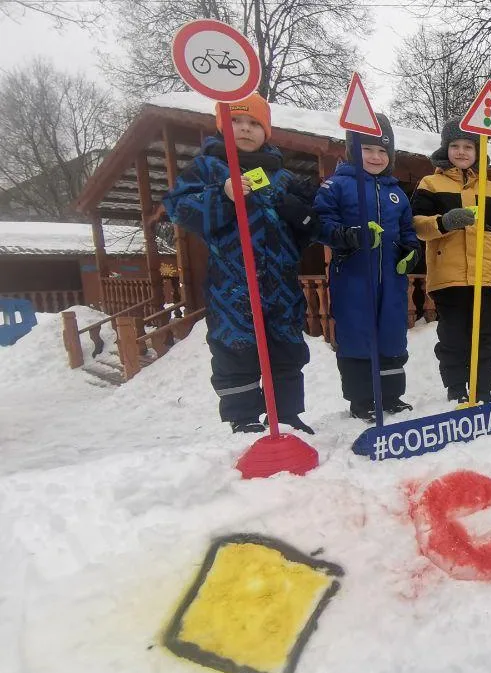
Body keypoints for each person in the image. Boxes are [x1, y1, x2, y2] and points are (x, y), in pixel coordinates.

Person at [163, 93, 317, 435]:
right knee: (235, 348)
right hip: (233, 284)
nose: (245, 129)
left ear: (266, 131)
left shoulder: (282, 176)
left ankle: (287, 415)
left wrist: (302, 216)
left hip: (280, 284)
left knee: (287, 349)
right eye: (237, 122)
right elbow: (179, 208)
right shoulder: (208, 168)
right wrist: (222, 195)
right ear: (223, 126)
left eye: (254, 124)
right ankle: (243, 418)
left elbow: (310, 224)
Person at [313, 114, 418, 421]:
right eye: (368, 149)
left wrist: (412, 251)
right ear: (351, 150)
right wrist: (349, 236)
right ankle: (362, 400)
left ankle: (391, 395)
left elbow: (408, 230)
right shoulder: (336, 186)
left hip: (392, 279)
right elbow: (322, 224)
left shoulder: (396, 193)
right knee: (358, 335)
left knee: (391, 334)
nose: (375, 157)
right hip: (354, 277)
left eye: (382, 151)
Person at [410, 119, 491, 404]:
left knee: (486, 337)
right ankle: (457, 389)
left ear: (478, 151)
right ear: (445, 149)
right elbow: (418, 226)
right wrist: (443, 222)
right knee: (453, 337)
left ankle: (482, 390)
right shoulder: (430, 183)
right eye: (455, 146)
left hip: (485, 277)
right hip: (449, 278)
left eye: (468, 146)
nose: (461, 152)